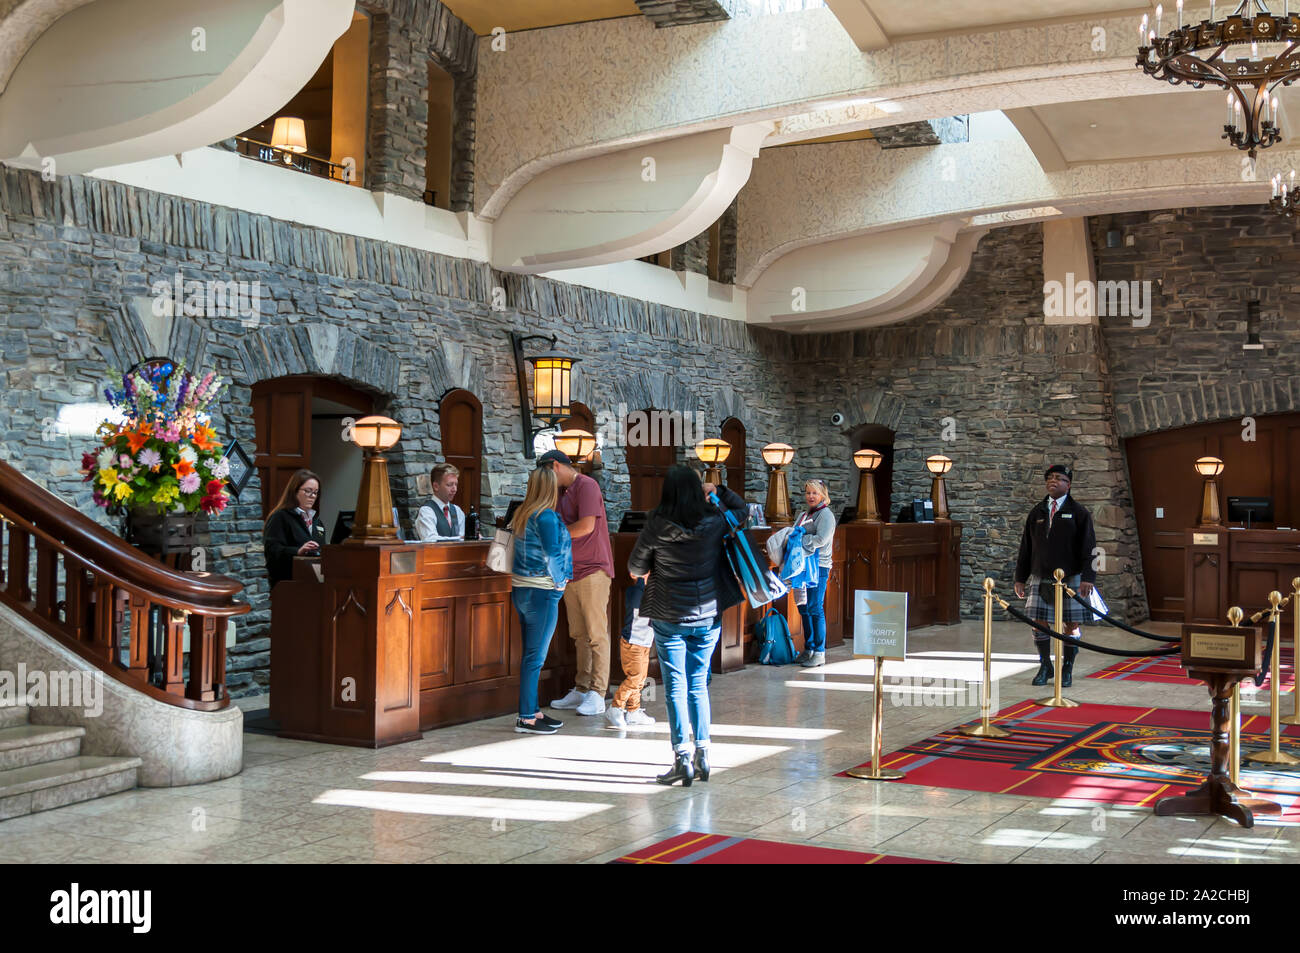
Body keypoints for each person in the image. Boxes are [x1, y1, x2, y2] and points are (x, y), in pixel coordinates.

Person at [628, 466, 748, 786]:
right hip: (708, 616)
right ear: (698, 490)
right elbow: (743, 510)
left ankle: (682, 759)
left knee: (676, 688)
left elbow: (635, 566)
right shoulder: (714, 520)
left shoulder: (656, 523)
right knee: (698, 686)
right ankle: (703, 755)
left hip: (669, 616)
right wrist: (717, 489)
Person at [538, 449, 615, 717]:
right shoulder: (559, 493)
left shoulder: (587, 485)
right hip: (569, 570)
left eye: (547, 473)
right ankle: (582, 688)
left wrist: (553, 534)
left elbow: (586, 527)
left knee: (596, 634)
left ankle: (598, 692)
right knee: (579, 634)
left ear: (556, 466)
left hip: (593, 569)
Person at [1014, 464, 1097, 688]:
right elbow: (1026, 547)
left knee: (1071, 624)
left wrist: (1088, 577)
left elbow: (1091, 547)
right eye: (1050, 478)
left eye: (1059, 478)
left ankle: (1067, 667)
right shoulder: (1037, 511)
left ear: (1068, 485)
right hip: (1040, 575)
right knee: (1038, 622)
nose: (1053, 481)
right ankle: (1045, 666)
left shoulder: (1079, 512)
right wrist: (1020, 578)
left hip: (1072, 577)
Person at [510, 466, 573, 734]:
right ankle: (526, 717)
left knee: (530, 655)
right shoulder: (546, 516)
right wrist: (560, 582)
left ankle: (533, 711)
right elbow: (552, 554)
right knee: (535, 657)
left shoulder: (521, 513)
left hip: (521, 589)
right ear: (550, 488)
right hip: (542, 591)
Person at [793, 479, 837, 668]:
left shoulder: (826, 515)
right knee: (803, 607)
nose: (811, 496)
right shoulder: (804, 514)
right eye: (808, 493)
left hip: (819, 566)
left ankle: (820, 652)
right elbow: (793, 532)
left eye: (815, 493)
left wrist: (801, 538)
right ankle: (809, 648)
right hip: (802, 566)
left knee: (815, 607)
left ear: (823, 495)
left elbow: (821, 539)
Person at [605, 577, 656, 730]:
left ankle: (633, 711)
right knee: (634, 679)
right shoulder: (637, 592)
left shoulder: (649, 590)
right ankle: (615, 707)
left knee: (640, 679)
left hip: (644, 641)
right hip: (634, 642)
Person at [263, 469, 327, 588]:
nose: (312, 496)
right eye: (308, 491)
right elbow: (272, 552)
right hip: (288, 585)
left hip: (313, 584)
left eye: (315, 492)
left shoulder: (317, 522)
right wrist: (298, 551)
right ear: (295, 491)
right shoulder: (280, 517)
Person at [415, 463, 464, 541]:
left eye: (456, 484)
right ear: (436, 486)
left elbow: (464, 538)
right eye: (449, 485)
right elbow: (430, 540)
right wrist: (459, 538)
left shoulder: (457, 510)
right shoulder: (426, 511)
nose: (454, 489)